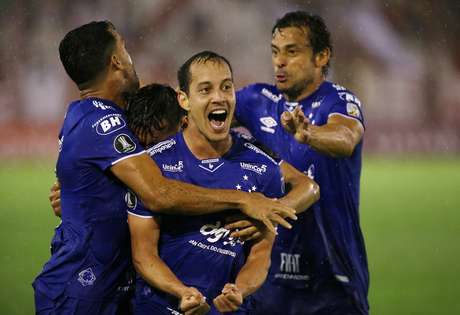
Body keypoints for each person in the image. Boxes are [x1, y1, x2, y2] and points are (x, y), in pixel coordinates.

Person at [33, 21, 297, 315]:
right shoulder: (101, 122)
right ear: (116, 61)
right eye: (126, 49)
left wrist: (75, 200)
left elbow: (304, 189)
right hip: (81, 291)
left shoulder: (94, 117)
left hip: (111, 291)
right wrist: (245, 200)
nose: (133, 60)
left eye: (226, 87)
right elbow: (159, 193)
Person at [126, 57, 318, 315]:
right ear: (184, 100)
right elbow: (143, 254)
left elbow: (260, 256)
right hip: (160, 307)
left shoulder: (263, 168)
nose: (219, 97)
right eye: (205, 90)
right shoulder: (154, 164)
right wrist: (181, 292)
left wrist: (240, 289)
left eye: (226, 87)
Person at [232, 11, 369, 315]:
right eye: (275, 52)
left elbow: (345, 138)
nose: (279, 62)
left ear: (322, 56)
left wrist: (308, 134)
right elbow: (208, 116)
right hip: (268, 274)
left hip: (331, 276)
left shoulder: (339, 100)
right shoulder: (257, 99)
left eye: (292, 51)